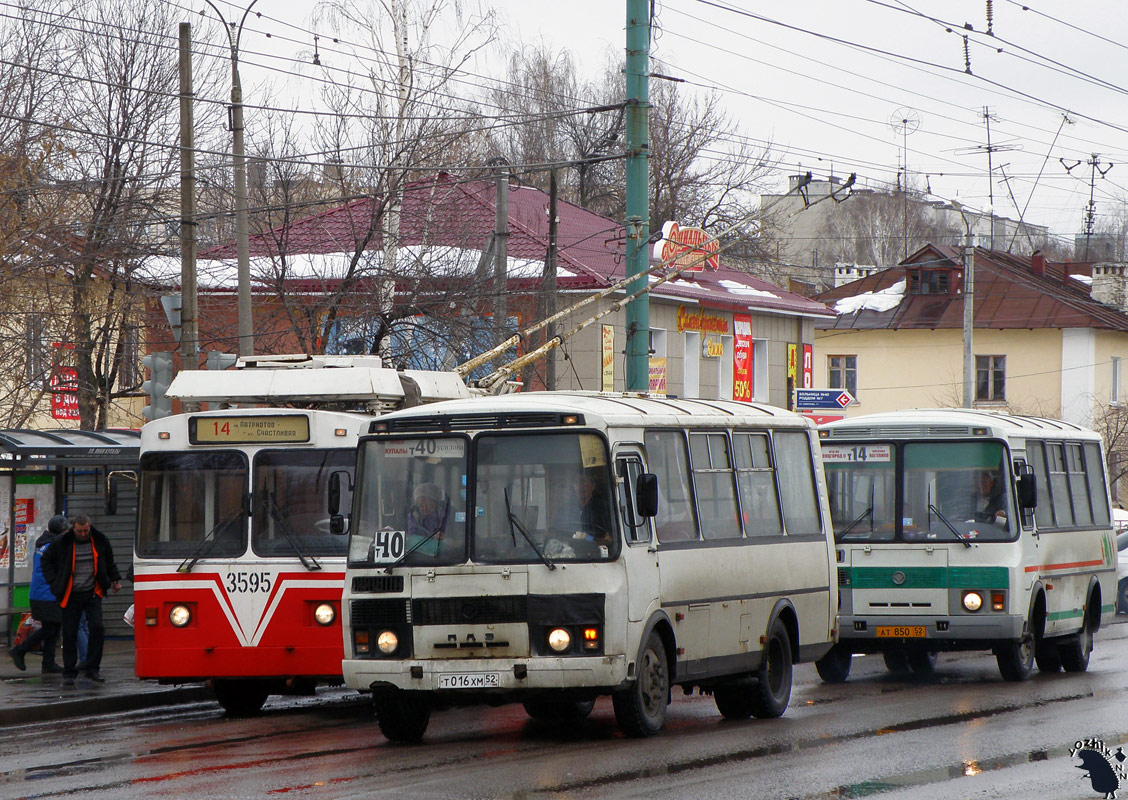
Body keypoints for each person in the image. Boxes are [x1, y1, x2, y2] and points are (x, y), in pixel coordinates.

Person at [40, 514, 122, 686]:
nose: (83, 534)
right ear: (73, 529)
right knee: (69, 632)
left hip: (93, 591)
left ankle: (92, 668)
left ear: (89, 527)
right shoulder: (62, 542)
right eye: (79, 531)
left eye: (86, 530)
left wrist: (115, 580)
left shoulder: (100, 540)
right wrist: (54, 582)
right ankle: (69, 672)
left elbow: (109, 561)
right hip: (71, 593)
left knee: (97, 628)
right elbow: (46, 560)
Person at [8, 514, 68, 674]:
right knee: (51, 628)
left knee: (52, 627)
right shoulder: (55, 547)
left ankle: (48, 663)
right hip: (47, 594)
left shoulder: (43, 544)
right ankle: (20, 650)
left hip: (40, 593)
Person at [406, 483, 448, 554]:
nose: (424, 508)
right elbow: (412, 536)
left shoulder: (446, 513)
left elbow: (456, 537)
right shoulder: (414, 516)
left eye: (428, 505)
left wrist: (446, 536)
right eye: (421, 505)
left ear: (436, 502)